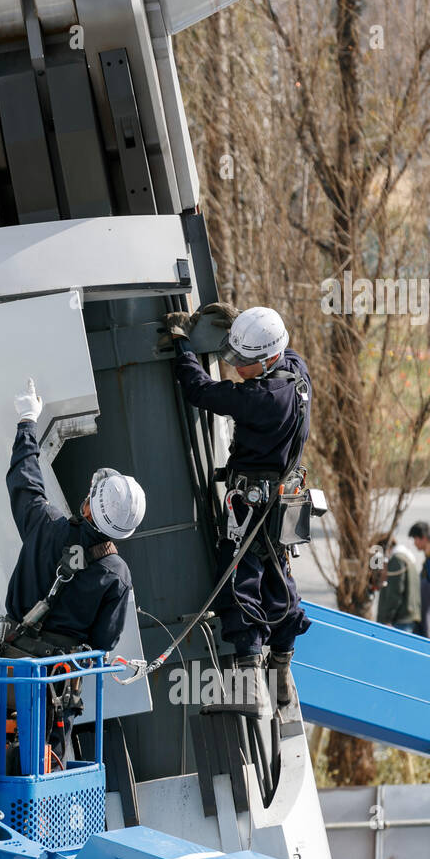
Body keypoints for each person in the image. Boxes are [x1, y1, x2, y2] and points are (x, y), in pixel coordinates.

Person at [162, 303, 313, 710]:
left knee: (239, 581)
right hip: (281, 504)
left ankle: (248, 686)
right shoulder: (297, 372)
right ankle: (281, 674)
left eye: (243, 362)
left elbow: (199, 391)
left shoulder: (262, 398)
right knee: (279, 580)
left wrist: (183, 348)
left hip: (252, 507)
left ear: (265, 361)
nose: (236, 369)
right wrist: (242, 327)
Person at [0, 379, 146, 765]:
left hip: (8, 672)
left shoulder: (46, 527)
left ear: (91, 505)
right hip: (57, 689)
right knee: (49, 763)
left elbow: (24, 481)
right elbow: (103, 644)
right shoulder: (117, 574)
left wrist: (27, 421)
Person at [374, 533, 421, 633]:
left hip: (400, 618)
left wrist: (387, 618)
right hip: (407, 615)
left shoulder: (396, 560)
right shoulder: (406, 558)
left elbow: (395, 591)